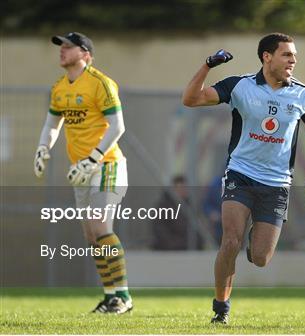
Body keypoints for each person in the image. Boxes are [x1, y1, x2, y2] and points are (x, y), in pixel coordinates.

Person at [182, 32, 305, 324]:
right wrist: (208, 65)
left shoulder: (303, 94)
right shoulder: (240, 86)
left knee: (260, 258)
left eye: (295, 56)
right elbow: (190, 99)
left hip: (276, 185)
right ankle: (221, 309)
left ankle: (255, 239)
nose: (293, 61)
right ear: (267, 57)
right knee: (230, 242)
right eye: (287, 55)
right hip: (241, 174)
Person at [34, 32, 132, 314]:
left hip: (107, 164)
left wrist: (94, 158)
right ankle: (111, 295)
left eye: (69, 46)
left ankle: (123, 297)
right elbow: (52, 124)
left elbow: (118, 127)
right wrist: (43, 147)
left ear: (86, 54)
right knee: (92, 236)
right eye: (60, 46)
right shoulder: (59, 87)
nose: (62, 50)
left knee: (100, 225)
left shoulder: (100, 82)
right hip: (80, 170)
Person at [152, 175, 203, 250]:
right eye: (180, 188)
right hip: (169, 249)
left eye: (185, 188)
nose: (184, 191)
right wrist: (173, 244)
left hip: (186, 247)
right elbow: (160, 230)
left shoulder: (190, 206)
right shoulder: (163, 206)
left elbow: (197, 229)